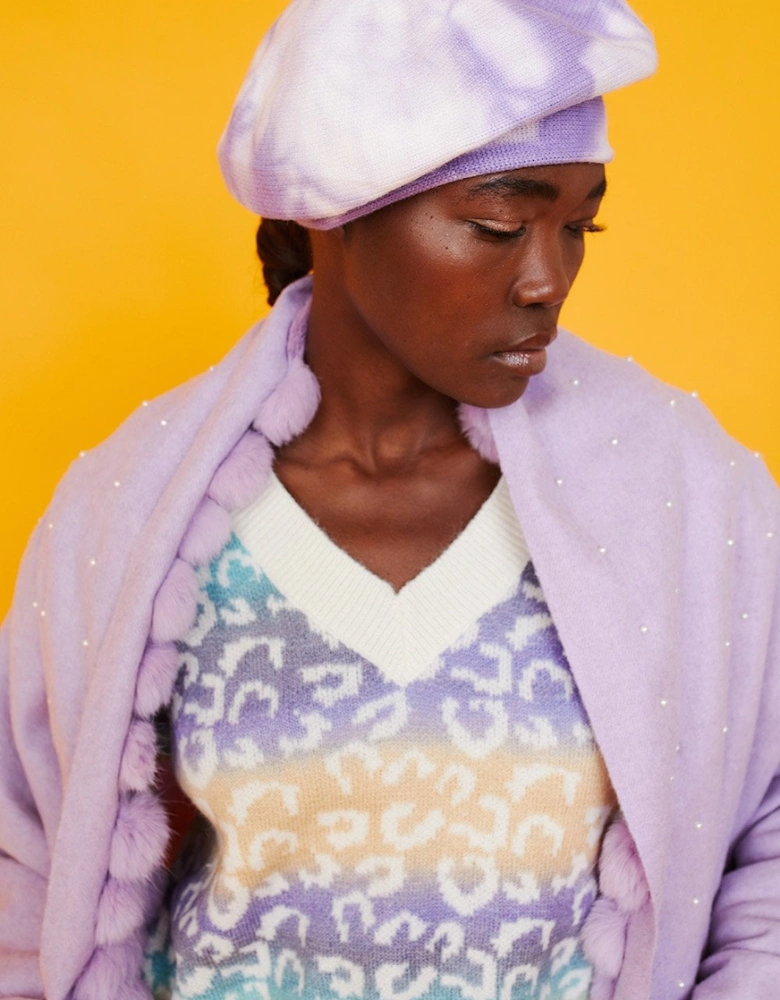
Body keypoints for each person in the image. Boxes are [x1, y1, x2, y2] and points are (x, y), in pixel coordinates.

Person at [1, 2, 779, 999]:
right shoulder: (131, 517)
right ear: (336, 215)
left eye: (582, 225)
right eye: (498, 224)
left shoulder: (685, 493)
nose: (548, 278)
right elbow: (25, 865)